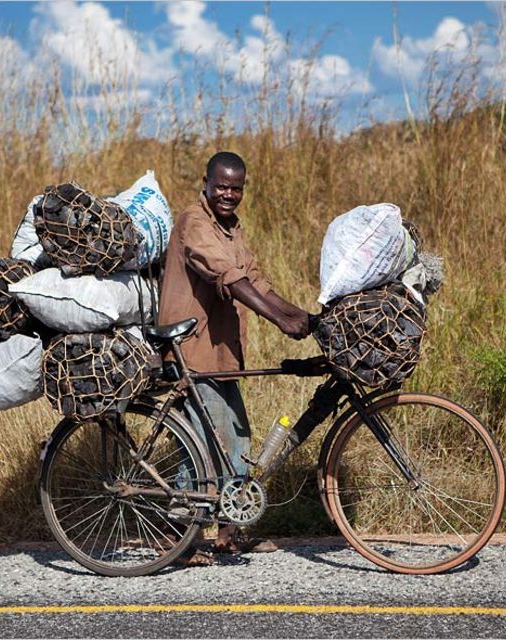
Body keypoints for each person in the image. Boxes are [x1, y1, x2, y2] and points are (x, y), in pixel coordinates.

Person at [158, 151, 310, 563]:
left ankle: (228, 529)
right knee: (208, 440)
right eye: (221, 185)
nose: (228, 194)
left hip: (222, 352)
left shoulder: (231, 227)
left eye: (236, 188)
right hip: (192, 347)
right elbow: (228, 275)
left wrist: (302, 315)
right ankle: (176, 536)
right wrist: (278, 320)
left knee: (238, 436)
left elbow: (256, 280)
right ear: (205, 183)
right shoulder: (194, 221)